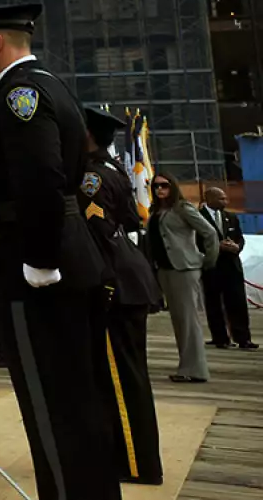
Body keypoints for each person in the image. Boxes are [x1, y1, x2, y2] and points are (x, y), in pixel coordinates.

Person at [0, 2, 118, 500]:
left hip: (38, 267)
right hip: (58, 258)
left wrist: (41, 261)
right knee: (75, 401)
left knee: (54, 405)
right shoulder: (39, 86)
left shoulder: (20, 95)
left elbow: (42, 182)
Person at [80, 107, 163, 486]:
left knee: (121, 378)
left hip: (115, 283)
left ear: (88, 138)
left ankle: (134, 462)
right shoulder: (113, 171)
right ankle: (134, 456)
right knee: (129, 375)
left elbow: (94, 234)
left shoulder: (91, 178)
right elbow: (131, 219)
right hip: (129, 278)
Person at [147, 172, 218, 382]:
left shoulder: (182, 208)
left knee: (188, 321)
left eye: (164, 185)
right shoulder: (156, 211)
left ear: (173, 186)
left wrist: (207, 261)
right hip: (166, 270)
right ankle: (186, 367)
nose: (160, 189)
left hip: (184, 269)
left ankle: (195, 370)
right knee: (179, 321)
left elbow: (210, 233)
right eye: (156, 186)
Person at [199, 186, 253, 351]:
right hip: (211, 265)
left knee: (237, 302)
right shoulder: (198, 217)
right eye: (221, 198)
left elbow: (240, 238)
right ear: (209, 199)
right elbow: (195, 240)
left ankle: (243, 338)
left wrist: (237, 246)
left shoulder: (231, 217)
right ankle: (220, 338)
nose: (225, 201)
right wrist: (216, 247)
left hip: (232, 265)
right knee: (214, 303)